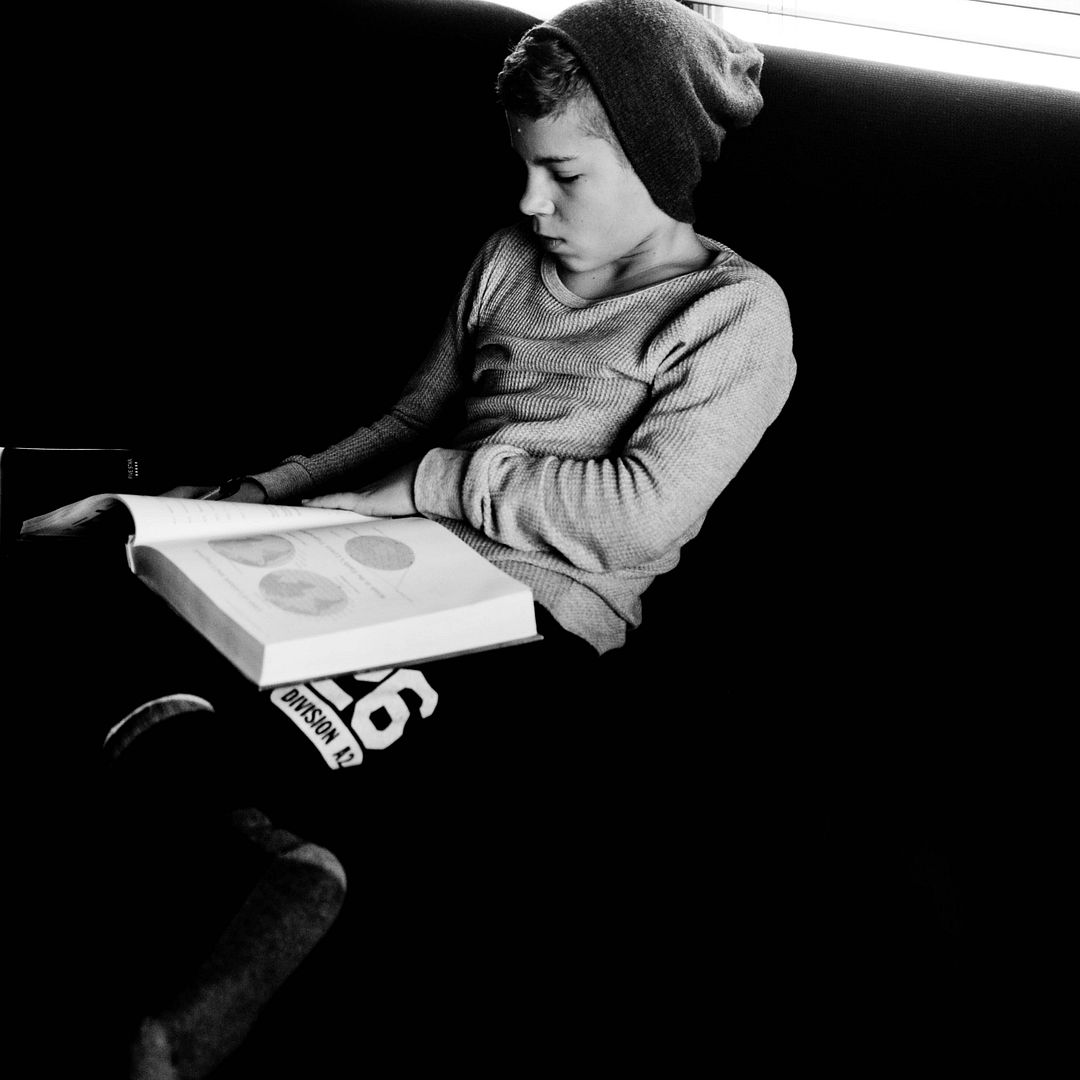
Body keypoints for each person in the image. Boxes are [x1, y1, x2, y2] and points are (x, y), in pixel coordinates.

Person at [103, 1, 796, 1074]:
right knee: (137, 600)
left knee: (351, 746)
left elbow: (640, 513)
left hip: (530, 617)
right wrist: (256, 498)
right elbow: (407, 422)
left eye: (563, 173)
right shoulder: (508, 258)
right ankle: (247, 843)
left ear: (655, 161)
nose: (530, 201)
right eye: (523, 167)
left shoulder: (732, 315)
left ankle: (213, 982)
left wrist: (434, 485)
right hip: (385, 556)